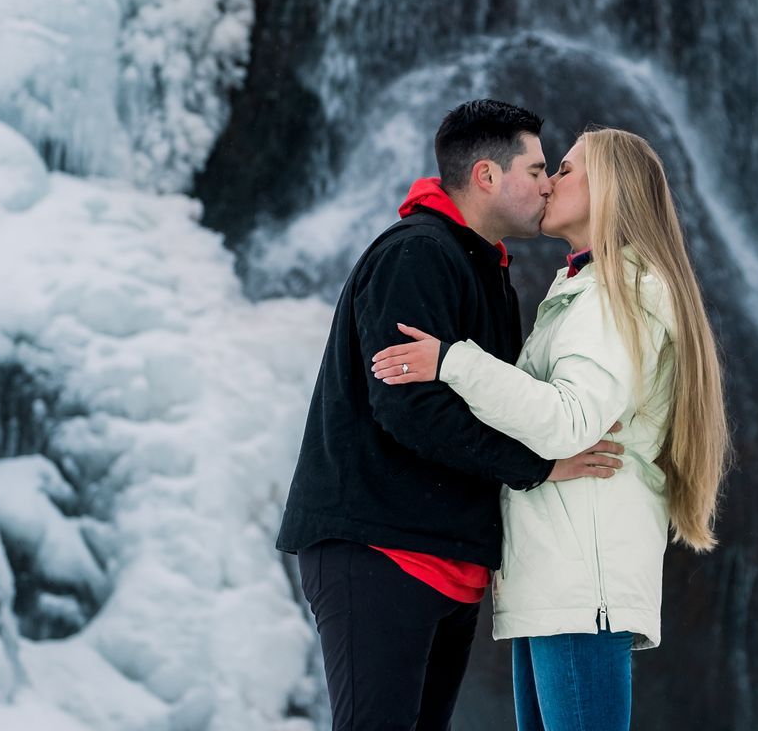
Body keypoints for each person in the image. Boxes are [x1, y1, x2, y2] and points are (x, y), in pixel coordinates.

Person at [276, 99, 627, 731]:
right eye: (538, 168)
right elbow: (406, 408)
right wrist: (537, 467)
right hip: (380, 545)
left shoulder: (486, 269)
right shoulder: (416, 254)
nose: (549, 184)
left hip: (447, 556)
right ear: (488, 176)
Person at [370, 127, 731, 731]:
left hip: (578, 581)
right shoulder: (583, 290)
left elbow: (567, 420)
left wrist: (451, 361)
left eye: (564, 169)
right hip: (556, 578)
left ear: (610, 191)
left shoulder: (620, 293)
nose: (547, 182)